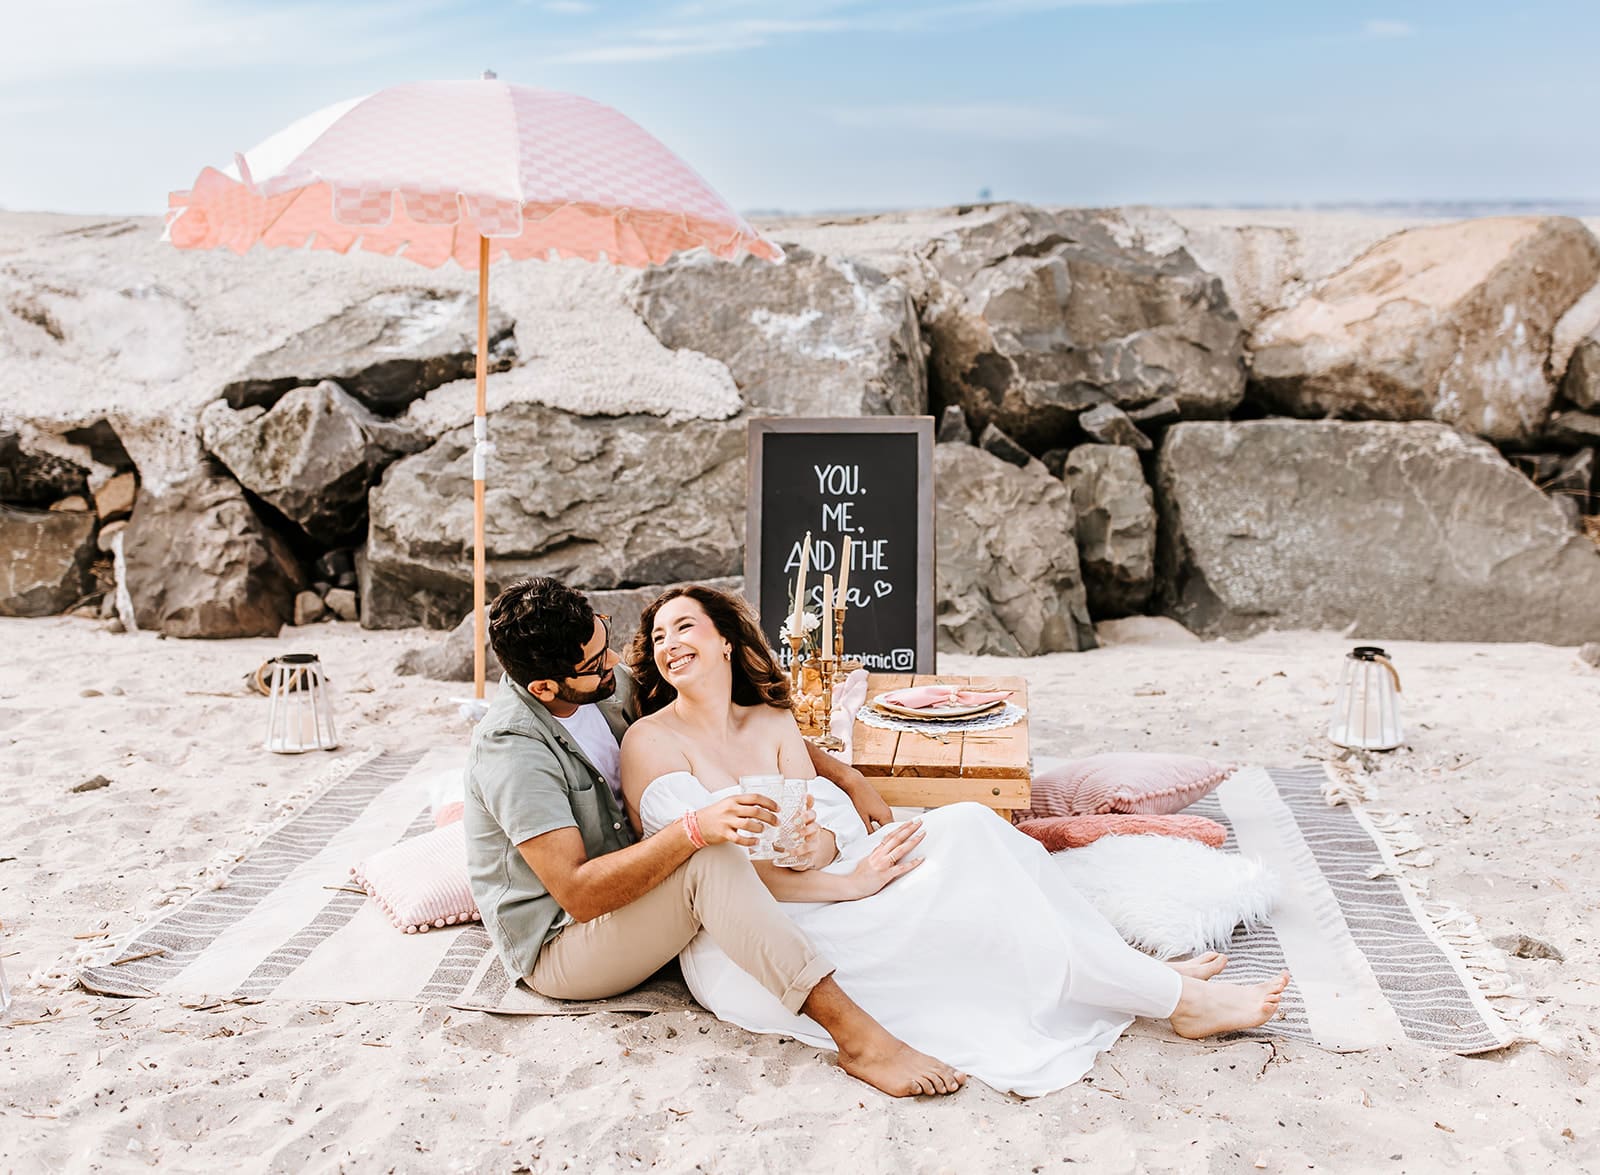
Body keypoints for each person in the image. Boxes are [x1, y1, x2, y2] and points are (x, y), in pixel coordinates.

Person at [619, 584, 1291, 1098]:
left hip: (822, 882)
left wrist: (823, 850)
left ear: (727, 643)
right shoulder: (650, 741)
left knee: (971, 825)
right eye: (657, 637)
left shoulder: (769, 720)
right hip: (754, 940)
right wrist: (847, 881)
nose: (669, 642)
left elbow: (819, 831)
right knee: (961, 912)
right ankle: (1175, 999)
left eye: (686, 626)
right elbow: (708, 871)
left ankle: (1118, 969)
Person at [463, 577, 966, 1097]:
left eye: (604, 637)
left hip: (637, 892)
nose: (612, 660)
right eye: (594, 663)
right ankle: (860, 1041)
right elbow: (580, 894)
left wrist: (848, 778)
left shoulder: (600, 684)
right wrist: (694, 828)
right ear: (544, 688)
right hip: (564, 942)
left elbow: (728, 720)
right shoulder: (512, 751)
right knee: (713, 858)